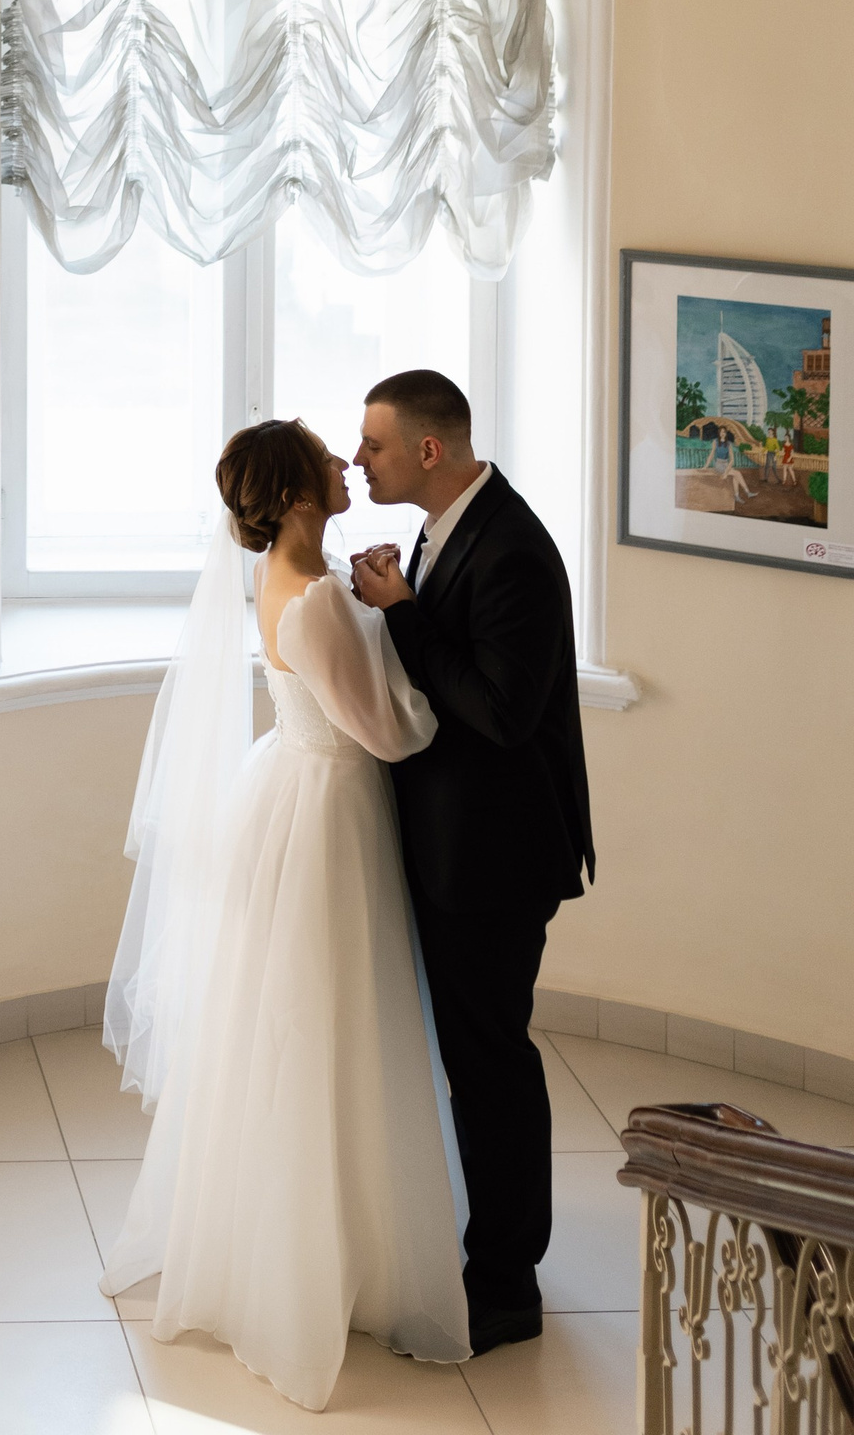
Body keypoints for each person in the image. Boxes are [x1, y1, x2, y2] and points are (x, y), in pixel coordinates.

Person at [98, 418, 469, 1412]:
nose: (347, 464)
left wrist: (373, 600)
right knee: (327, 1023)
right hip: (330, 811)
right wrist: (410, 632)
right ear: (300, 495)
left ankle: (309, 1242)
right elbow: (390, 733)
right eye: (327, 459)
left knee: (299, 1021)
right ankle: (327, 1261)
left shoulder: (299, 579)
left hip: (297, 792)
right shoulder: (312, 599)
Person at [351, 370, 595, 1357]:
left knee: (492, 1066)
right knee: (471, 1061)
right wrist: (401, 601)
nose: (359, 460)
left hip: (497, 862)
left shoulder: (515, 552)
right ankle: (480, 1240)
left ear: (428, 451)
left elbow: (500, 712)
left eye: (373, 444)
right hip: (456, 847)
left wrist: (404, 614)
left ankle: (505, 1283)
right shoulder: (442, 527)